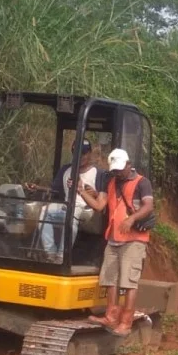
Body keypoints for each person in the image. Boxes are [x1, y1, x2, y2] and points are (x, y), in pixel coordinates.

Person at [80, 148, 154, 336]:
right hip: (114, 238)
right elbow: (100, 206)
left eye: (121, 169)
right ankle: (111, 316)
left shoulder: (142, 183)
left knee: (128, 282)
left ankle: (126, 322)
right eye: (115, 170)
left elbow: (148, 206)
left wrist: (131, 219)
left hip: (134, 240)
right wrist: (82, 192)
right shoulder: (111, 182)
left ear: (129, 165)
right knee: (110, 279)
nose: (118, 173)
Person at [40, 139, 98, 261]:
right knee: (44, 211)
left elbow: (102, 197)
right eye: (77, 153)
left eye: (84, 153)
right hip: (67, 205)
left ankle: (62, 256)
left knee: (72, 215)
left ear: (90, 153)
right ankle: (50, 252)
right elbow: (54, 189)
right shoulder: (66, 169)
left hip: (85, 208)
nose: (80, 156)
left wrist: (94, 193)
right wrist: (38, 187)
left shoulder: (98, 173)